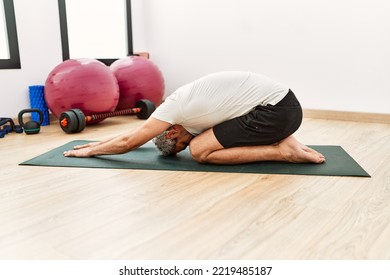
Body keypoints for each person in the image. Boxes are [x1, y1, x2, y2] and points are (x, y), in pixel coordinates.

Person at [63, 71, 325, 164]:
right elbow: (136, 135)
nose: (185, 146)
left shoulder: (174, 109)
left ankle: (283, 151)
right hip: (284, 109)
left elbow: (129, 141)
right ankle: (284, 140)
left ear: (174, 132)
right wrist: (95, 143)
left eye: (181, 145)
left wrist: (88, 153)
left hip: (276, 112)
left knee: (202, 150)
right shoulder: (181, 112)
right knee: (211, 139)